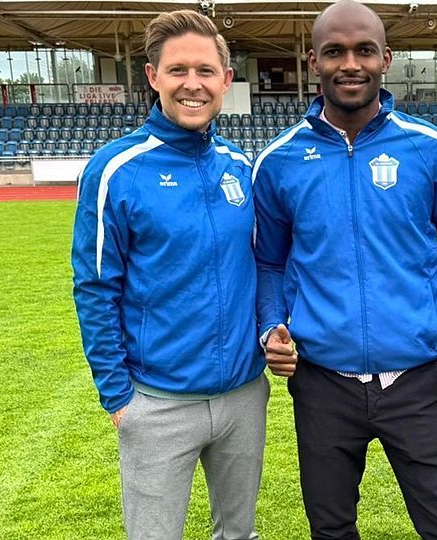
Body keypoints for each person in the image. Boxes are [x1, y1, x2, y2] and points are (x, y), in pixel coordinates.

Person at [252, 1, 437, 538]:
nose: (350, 64)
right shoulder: (279, 160)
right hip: (322, 382)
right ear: (314, 61)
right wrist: (271, 327)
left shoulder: (431, 149)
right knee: (331, 529)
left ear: (386, 59)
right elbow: (268, 261)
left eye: (364, 51)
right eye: (335, 52)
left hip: (418, 378)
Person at [71, 10, 267, 540]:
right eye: (178, 70)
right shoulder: (116, 168)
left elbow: (263, 264)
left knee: (239, 534)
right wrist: (119, 397)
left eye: (205, 71)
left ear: (226, 80)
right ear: (153, 76)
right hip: (157, 402)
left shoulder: (238, 164)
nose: (192, 84)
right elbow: (94, 287)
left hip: (244, 396)